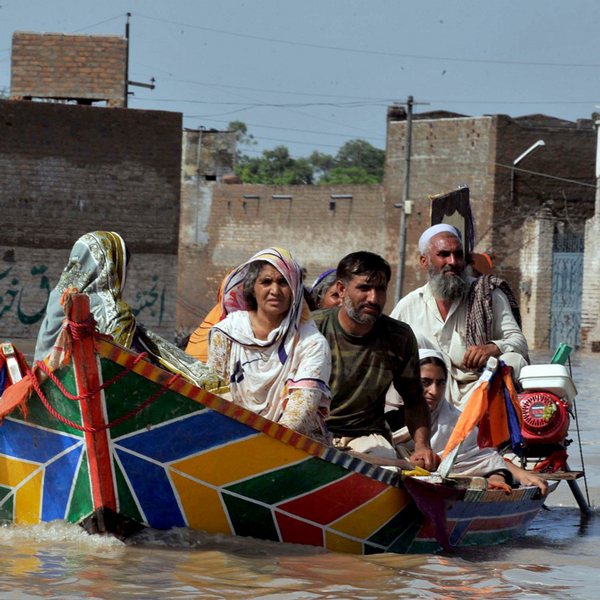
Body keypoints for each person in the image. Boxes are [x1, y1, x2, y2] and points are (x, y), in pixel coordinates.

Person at [34, 231, 224, 392]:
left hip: (49, 390)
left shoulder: (56, 300)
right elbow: (124, 369)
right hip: (94, 393)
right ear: (112, 270)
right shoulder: (113, 311)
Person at [312, 251, 437, 468]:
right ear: (341, 290)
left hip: (365, 438)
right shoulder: (312, 328)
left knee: (385, 467)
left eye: (380, 289)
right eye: (364, 288)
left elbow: (415, 400)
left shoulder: (399, 336)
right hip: (312, 432)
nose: (373, 298)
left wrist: (422, 447)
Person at [391, 224, 528, 409]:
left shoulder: (486, 295)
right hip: (429, 397)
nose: (453, 261)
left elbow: (519, 342)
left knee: (514, 360)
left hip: (481, 389)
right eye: (444, 254)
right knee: (412, 341)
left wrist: (492, 348)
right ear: (424, 261)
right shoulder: (409, 305)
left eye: (458, 254)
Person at [206, 248, 332, 442]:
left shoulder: (312, 344)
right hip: (227, 435)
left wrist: (262, 444)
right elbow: (214, 394)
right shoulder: (226, 333)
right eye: (266, 282)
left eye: (283, 282)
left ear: (295, 290)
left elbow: (299, 416)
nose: (275, 291)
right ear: (251, 288)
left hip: (289, 444)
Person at [391, 349, 547, 493]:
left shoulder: (457, 423)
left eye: (440, 383)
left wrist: (496, 478)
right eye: (425, 382)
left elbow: (487, 461)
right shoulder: (381, 417)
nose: (434, 392)